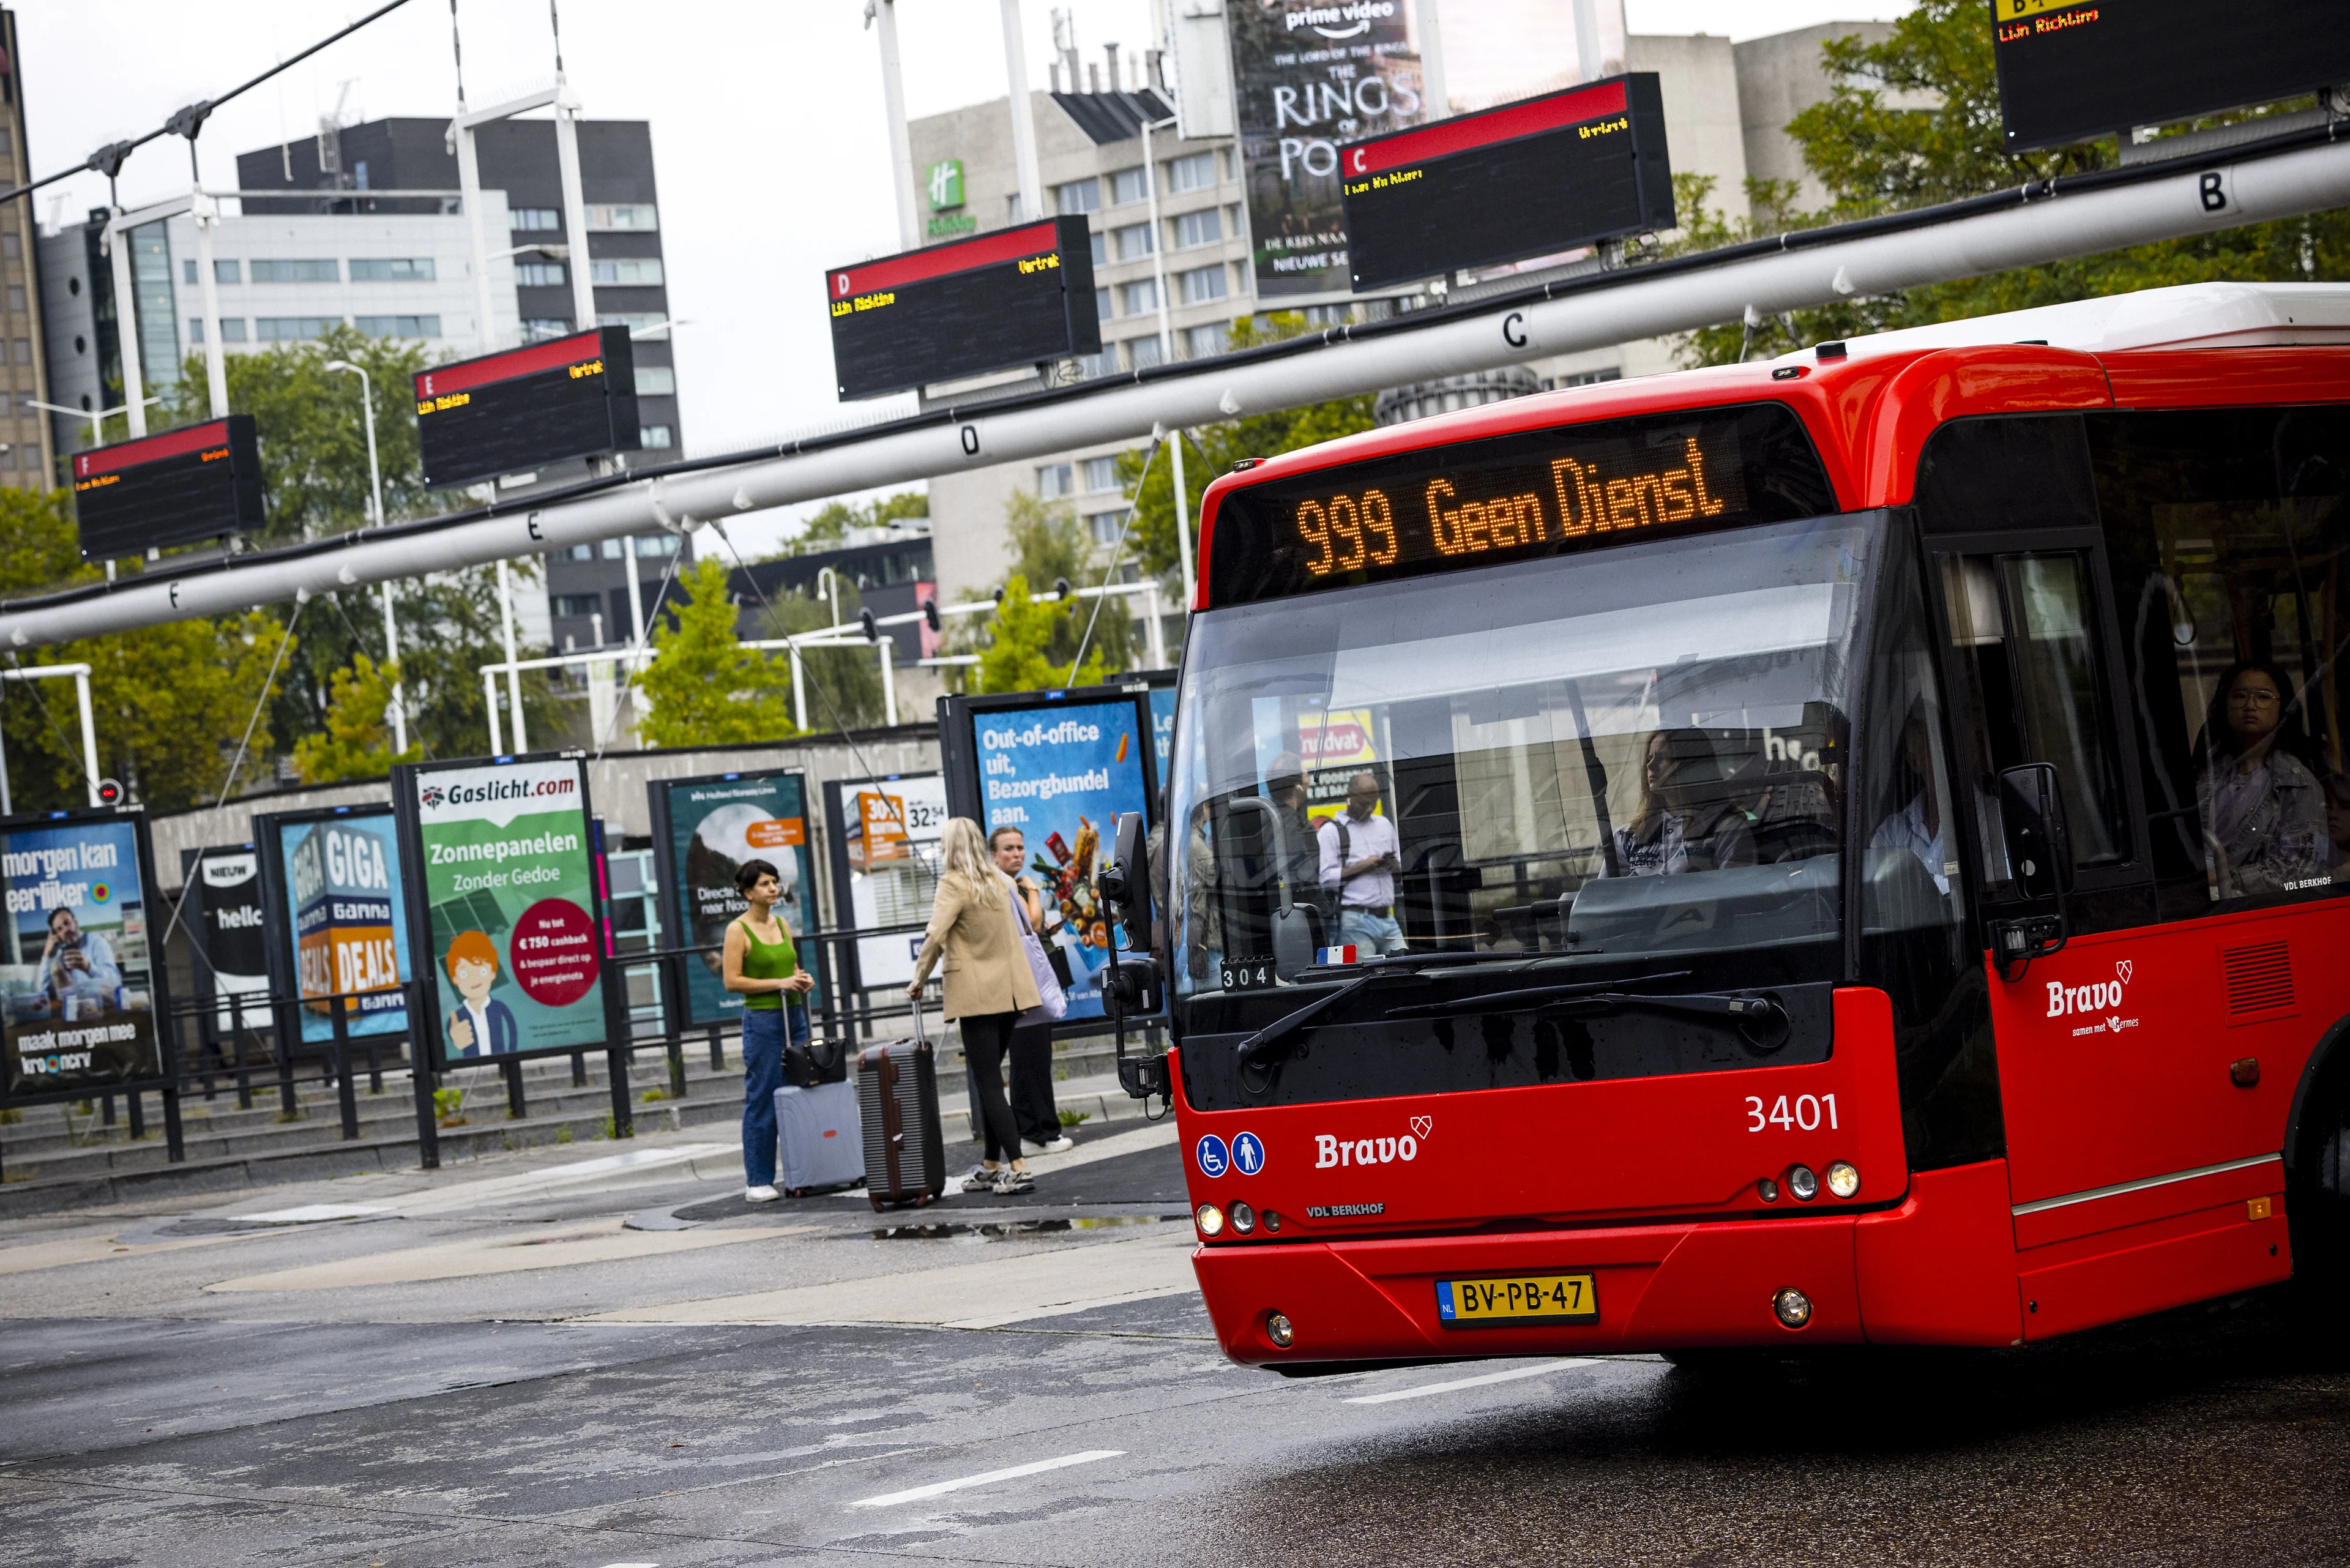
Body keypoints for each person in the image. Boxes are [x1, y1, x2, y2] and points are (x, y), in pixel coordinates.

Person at [909, 817, 1043, 1195]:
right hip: (1011, 992)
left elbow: (936, 935)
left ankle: (1018, 1167)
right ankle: (990, 1163)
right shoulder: (999, 882)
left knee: (986, 1081)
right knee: (991, 1079)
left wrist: (918, 979)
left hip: (977, 994)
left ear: (949, 846)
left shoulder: (954, 883)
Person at [722, 857, 816, 1204]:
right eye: (764, 884)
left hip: (795, 1016)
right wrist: (780, 982)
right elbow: (732, 981)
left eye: (775, 882)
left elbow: (791, 967)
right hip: (763, 1023)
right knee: (763, 1097)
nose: (774, 888)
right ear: (748, 892)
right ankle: (758, 1180)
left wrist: (802, 979)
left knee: (804, 1091)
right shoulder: (738, 930)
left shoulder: (781, 923)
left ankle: (806, 1173)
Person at [2195, 659, 2331, 897]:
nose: (2251, 705)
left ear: (2283, 707)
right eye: (2239, 696)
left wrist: (2224, 878)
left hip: (2248, 904)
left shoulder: (2298, 785)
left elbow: (2300, 870)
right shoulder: (2203, 774)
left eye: (2264, 696)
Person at [990, 824, 1072, 1157]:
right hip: (1021, 986)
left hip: (1027, 984)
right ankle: (1037, 1133)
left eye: (1020, 847)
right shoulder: (1008, 886)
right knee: (1028, 1060)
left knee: (1034, 1059)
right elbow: (1032, 925)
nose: (1017, 854)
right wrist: (1034, 891)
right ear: (993, 855)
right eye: (1008, 849)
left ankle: (1040, 1130)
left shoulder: (1010, 885)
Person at [1605, 728, 1757, 878]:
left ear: (1692, 765)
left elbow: (1735, 894)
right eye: (1649, 758)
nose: (1650, 765)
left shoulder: (1727, 829)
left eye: (1663, 757)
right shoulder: (1627, 836)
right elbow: (1607, 897)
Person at [1318, 771, 1406, 955]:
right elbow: (1326, 879)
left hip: (1388, 917)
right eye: (1364, 803)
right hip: (1355, 919)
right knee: (1366, 976)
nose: (1369, 809)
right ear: (1348, 798)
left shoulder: (1384, 825)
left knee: (1405, 967)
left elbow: (1401, 868)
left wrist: (1392, 864)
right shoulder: (1331, 831)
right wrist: (1362, 868)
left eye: (1374, 803)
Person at [1870, 708, 1950, 894]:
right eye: (1935, 753)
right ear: (1914, 763)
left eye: (1950, 750)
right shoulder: (1892, 831)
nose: (1946, 763)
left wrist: (1917, 883)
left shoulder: (1991, 820)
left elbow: (1996, 887)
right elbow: (1874, 892)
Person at [442, 931, 517, 1058]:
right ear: (455, 979)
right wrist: (455, 1038)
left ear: (493, 972)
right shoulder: (458, 1017)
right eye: (464, 974)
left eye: (482, 970)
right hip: (472, 1070)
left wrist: (510, 1056)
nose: (474, 979)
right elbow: (452, 1035)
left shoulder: (499, 1008)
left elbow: (512, 1032)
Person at [40, 907, 122, 1015]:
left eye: (67, 923)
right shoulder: (60, 955)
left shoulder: (98, 943)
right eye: (59, 929)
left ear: (76, 922)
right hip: (74, 1014)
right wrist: (47, 955)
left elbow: (116, 982)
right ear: (57, 936)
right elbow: (43, 992)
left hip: (104, 1012)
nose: (65, 930)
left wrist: (88, 967)